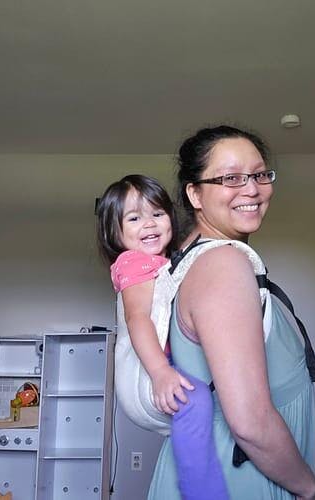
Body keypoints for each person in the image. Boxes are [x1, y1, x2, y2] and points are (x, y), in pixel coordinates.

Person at [148, 126, 315, 500]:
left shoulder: (192, 255)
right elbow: (251, 423)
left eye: (259, 174)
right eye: (230, 178)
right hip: (238, 476)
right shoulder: (223, 264)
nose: (252, 189)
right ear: (195, 193)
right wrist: (309, 489)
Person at [97, 174, 230, 500]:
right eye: (134, 218)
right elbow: (138, 318)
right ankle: (201, 491)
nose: (149, 223)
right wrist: (160, 372)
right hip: (152, 368)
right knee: (194, 399)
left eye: (157, 213)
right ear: (115, 231)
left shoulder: (163, 263)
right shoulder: (133, 262)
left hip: (170, 361)